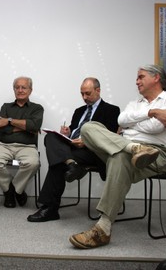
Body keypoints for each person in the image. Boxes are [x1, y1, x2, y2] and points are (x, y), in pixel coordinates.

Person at [69, 64, 166, 249]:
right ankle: (134, 148)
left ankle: (103, 229)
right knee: (89, 128)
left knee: (119, 157)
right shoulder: (135, 103)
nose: (136, 81)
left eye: (141, 77)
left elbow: (154, 128)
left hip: (157, 154)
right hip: (129, 148)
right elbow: (121, 121)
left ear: (156, 78)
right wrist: (151, 112)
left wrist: (132, 124)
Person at [27, 77, 120, 222]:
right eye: (82, 94)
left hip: (93, 152)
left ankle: (50, 208)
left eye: (88, 93)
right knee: (50, 137)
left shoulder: (112, 110)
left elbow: (110, 137)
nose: (84, 97)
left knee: (57, 163)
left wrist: (86, 141)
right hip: (73, 148)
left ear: (98, 90)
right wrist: (67, 133)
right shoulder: (79, 111)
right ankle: (71, 164)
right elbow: (74, 130)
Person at [0, 76, 44, 208]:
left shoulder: (37, 108)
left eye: (24, 87)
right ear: (14, 90)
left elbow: (34, 126)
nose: (20, 90)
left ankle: (13, 190)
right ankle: (13, 191)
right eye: (17, 87)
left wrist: (10, 121)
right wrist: (26, 127)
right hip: (4, 145)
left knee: (33, 163)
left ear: (30, 90)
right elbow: (3, 129)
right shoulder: (5, 106)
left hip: (27, 147)